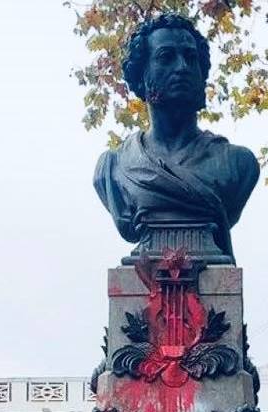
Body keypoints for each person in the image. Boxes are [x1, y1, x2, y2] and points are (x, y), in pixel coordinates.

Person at [93, 14, 259, 262]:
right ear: (141, 76)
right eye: (166, 57)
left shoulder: (238, 164)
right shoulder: (113, 168)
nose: (182, 67)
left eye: (190, 58)